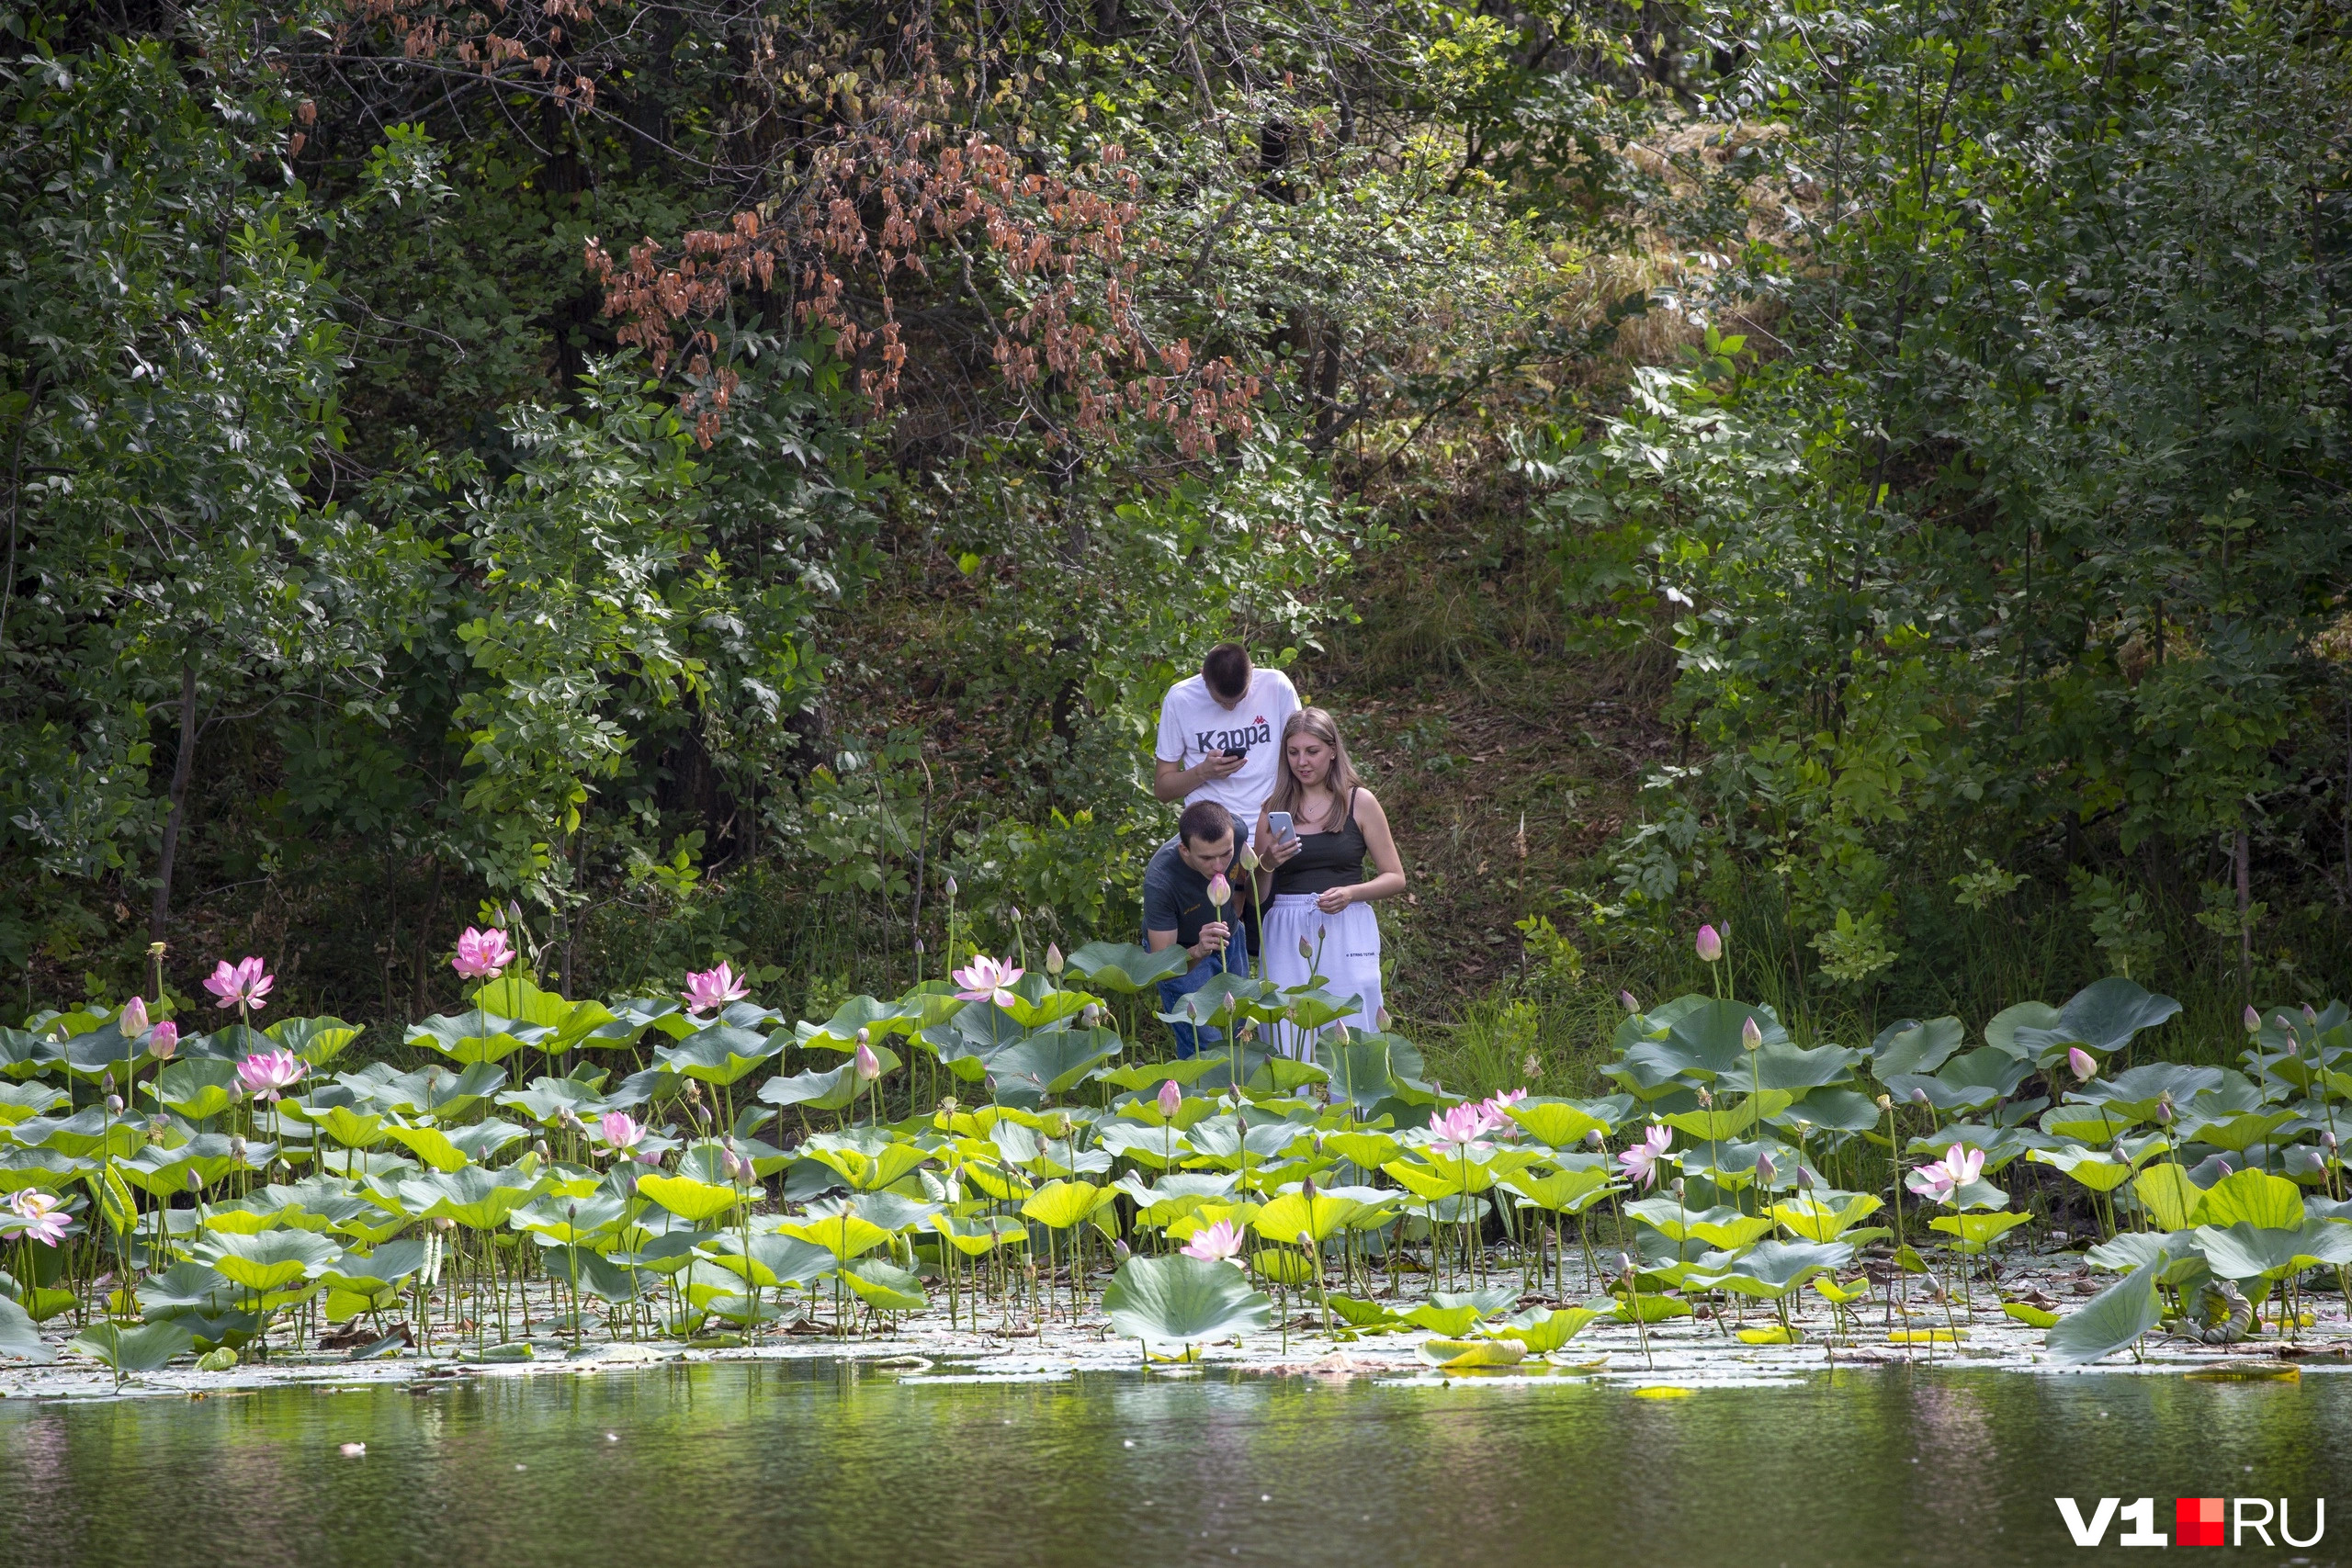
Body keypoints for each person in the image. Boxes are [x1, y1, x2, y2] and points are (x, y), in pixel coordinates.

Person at [1251, 708, 1407, 1057]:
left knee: (1352, 1024)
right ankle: (1295, 1107)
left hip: (1346, 920)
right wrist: (1268, 863)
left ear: (1333, 750)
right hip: (1286, 924)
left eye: (1312, 751)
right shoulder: (1273, 809)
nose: (1302, 762)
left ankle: (1355, 1108)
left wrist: (1351, 893)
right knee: (1287, 1030)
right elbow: (1257, 897)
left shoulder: (1359, 802)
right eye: (1293, 752)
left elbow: (1395, 877)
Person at [1141, 800, 1252, 1059]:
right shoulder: (1161, 880)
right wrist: (1200, 950)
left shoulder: (1237, 830)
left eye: (1225, 853)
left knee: (1239, 1027)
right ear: (1185, 849)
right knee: (1205, 1045)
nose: (1218, 866)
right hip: (1185, 949)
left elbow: (1240, 871)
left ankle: (1239, 1095)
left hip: (1230, 935)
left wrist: (1237, 902)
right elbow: (1163, 967)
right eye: (1206, 857)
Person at [1153, 642, 1300, 825]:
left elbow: (1302, 759)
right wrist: (1203, 772)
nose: (1230, 708)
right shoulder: (1180, 699)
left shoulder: (1277, 687)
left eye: (1240, 699)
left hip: (1272, 821)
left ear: (1252, 670)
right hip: (1210, 828)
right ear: (1202, 675)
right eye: (1220, 701)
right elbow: (1162, 790)